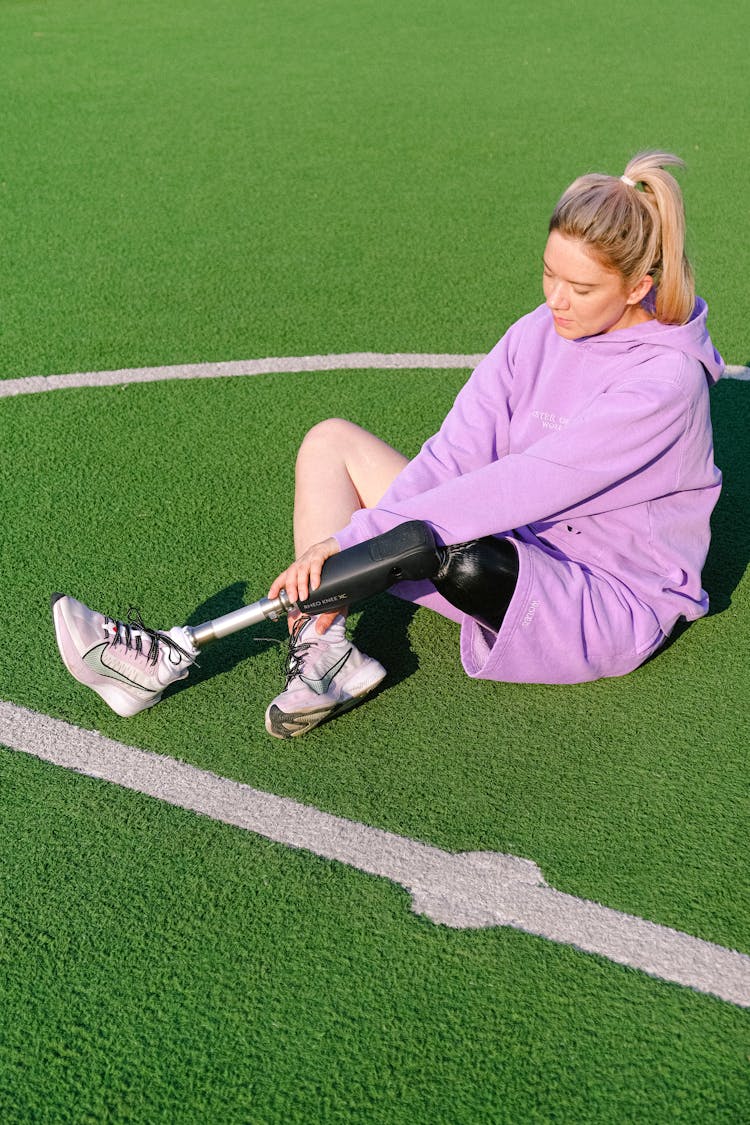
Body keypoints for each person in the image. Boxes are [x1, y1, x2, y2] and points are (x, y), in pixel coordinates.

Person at [52, 151, 723, 739]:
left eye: (580, 288)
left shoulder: (664, 383)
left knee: (452, 552)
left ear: (640, 286)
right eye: (548, 274)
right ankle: (324, 652)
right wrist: (362, 539)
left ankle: (223, 644)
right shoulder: (535, 333)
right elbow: (457, 452)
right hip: (522, 534)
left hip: (603, 593)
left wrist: (360, 536)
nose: (556, 300)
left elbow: (524, 482)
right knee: (331, 444)